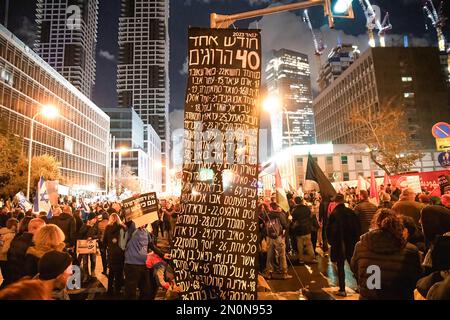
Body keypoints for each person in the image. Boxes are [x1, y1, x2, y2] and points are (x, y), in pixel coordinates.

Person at [351, 209, 422, 300]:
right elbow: (415, 277)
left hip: (369, 296)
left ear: (375, 224)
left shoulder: (361, 245)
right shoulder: (410, 250)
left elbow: (355, 269)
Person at [326, 193, 361, 297]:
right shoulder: (351, 212)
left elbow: (329, 230)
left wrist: (331, 242)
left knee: (340, 267)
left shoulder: (334, 213)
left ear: (336, 201)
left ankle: (342, 289)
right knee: (353, 265)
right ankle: (360, 285)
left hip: (338, 243)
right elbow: (357, 227)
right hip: (351, 242)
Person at [123, 220, 168, 300]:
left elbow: (152, 246)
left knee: (146, 291)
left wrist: (163, 255)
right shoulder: (132, 228)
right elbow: (128, 221)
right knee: (131, 293)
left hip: (143, 265)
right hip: (131, 265)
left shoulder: (145, 232)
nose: (143, 224)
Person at [7, 218, 46, 283]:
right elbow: (30, 269)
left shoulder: (16, 239)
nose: (44, 232)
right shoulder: (33, 245)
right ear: (35, 228)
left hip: (14, 278)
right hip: (25, 282)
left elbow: (9, 257)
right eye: (43, 229)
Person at [262, 202, 292, 280]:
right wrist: (289, 220)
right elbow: (285, 226)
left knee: (270, 254)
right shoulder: (280, 214)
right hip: (279, 236)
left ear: (271, 208)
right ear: (277, 207)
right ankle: (283, 272)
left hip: (269, 237)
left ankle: (269, 272)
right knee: (282, 254)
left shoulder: (267, 214)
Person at [104, 213, 126, 296]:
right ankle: (118, 290)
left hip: (111, 253)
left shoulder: (107, 228)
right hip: (120, 253)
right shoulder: (122, 228)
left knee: (111, 272)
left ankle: (109, 290)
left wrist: (109, 245)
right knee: (119, 273)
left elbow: (104, 241)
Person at [291, 197, 317, 264]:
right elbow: (310, 216)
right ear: (301, 201)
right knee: (309, 244)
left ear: (295, 201)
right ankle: (313, 258)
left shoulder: (295, 210)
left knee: (300, 245)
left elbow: (293, 220)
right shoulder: (306, 208)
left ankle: (301, 259)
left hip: (299, 230)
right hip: (307, 229)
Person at [78, 212, 99, 282]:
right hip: (85, 245)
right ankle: (86, 275)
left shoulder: (96, 226)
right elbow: (80, 234)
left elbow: (99, 235)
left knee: (93, 260)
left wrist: (92, 237)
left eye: (95, 218)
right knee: (85, 261)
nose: (95, 219)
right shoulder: (84, 225)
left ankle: (93, 272)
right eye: (94, 218)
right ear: (90, 219)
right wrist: (87, 226)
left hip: (92, 245)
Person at [0, 218, 19, 288]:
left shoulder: (3, 232)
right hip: (6, 258)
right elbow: (5, 250)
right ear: (14, 226)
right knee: (8, 279)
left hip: (1, 258)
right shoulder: (11, 236)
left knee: (5, 277)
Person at [97, 211, 109, 276]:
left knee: (103, 256)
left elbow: (98, 234)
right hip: (109, 242)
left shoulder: (99, 224)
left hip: (101, 242)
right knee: (109, 255)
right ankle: (109, 268)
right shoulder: (110, 223)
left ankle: (104, 270)